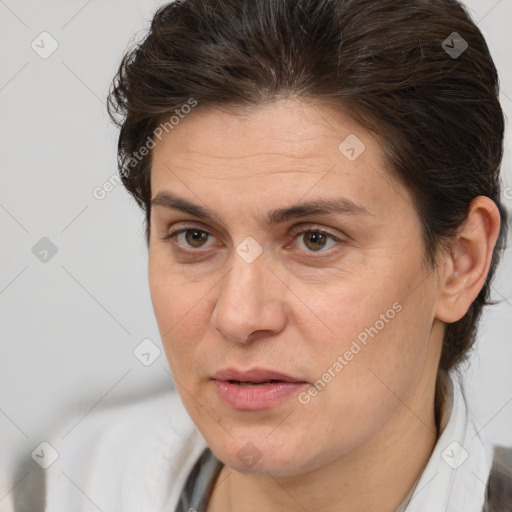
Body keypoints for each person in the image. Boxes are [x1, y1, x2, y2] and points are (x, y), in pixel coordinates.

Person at [44, 0, 511, 510]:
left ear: (460, 262)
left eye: (315, 239)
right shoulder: (65, 483)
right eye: (194, 237)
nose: (238, 317)